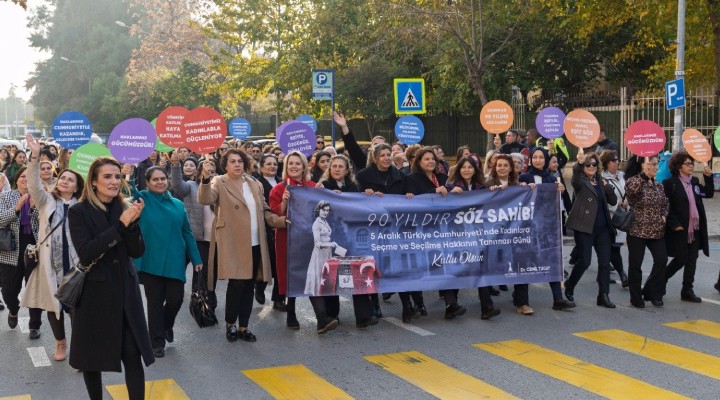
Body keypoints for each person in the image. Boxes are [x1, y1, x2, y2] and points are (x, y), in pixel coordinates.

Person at [68, 157, 152, 400]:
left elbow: (137, 251)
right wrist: (120, 226)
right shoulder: (79, 211)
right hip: (95, 296)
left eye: (117, 176)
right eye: (107, 176)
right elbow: (86, 253)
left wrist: (132, 225)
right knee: (91, 360)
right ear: (93, 182)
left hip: (126, 292)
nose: (114, 181)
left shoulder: (126, 207)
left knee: (132, 354)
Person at [199, 149, 287, 341]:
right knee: (237, 284)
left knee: (249, 285)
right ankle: (230, 324)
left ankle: (244, 327)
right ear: (225, 164)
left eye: (240, 161)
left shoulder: (254, 184)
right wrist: (205, 178)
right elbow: (205, 199)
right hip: (233, 242)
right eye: (232, 161)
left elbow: (264, 210)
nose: (237, 164)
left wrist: (280, 221)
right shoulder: (219, 182)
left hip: (256, 242)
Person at [127, 165, 202, 358]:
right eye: (155, 179)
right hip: (150, 260)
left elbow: (187, 232)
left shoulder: (177, 204)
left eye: (163, 179)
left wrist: (196, 259)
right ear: (148, 182)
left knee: (176, 299)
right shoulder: (142, 198)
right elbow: (128, 191)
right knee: (154, 303)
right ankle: (156, 342)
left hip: (175, 260)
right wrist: (128, 174)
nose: (160, 182)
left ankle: (167, 326)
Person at [20, 134, 84, 361]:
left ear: (77, 187)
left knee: (77, 307)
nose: (64, 181)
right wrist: (35, 156)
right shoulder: (47, 200)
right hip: (50, 264)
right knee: (52, 305)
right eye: (62, 178)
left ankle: (78, 347)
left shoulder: (82, 206)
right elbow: (33, 184)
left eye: (70, 180)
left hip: (76, 265)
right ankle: (60, 343)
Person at [269, 151, 336, 333]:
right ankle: (291, 314)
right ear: (286, 166)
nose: (294, 167)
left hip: (309, 240)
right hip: (287, 241)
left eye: (298, 163)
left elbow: (325, 208)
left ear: (304, 166)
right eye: (291, 163)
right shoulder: (278, 189)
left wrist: (331, 194)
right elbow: (275, 215)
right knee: (292, 276)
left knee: (311, 275)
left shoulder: (312, 186)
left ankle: (321, 319)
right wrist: (284, 202)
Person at [356, 144, 411, 320]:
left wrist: (409, 197)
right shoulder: (363, 176)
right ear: (375, 157)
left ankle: (407, 305)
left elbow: (407, 198)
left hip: (394, 229)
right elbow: (354, 199)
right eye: (382, 155)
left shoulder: (400, 176)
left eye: (389, 155)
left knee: (398, 266)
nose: (387, 158)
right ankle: (375, 304)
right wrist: (365, 195)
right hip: (373, 228)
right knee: (374, 266)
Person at [518, 147, 576, 311]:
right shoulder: (523, 176)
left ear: (545, 160)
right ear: (530, 160)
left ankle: (558, 298)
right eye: (535, 157)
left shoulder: (552, 179)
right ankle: (522, 301)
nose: (537, 160)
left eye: (541, 157)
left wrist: (561, 191)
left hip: (546, 227)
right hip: (527, 227)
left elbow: (558, 203)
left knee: (552, 261)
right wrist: (521, 187)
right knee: (524, 262)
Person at [446, 156, 501, 320]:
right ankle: (450, 306)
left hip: (477, 235)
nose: (467, 170)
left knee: (480, 269)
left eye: (470, 167)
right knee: (456, 270)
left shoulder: (482, 187)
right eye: (464, 167)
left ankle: (487, 308)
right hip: (458, 236)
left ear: (475, 170)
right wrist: (450, 194)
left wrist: (492, 192)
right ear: (458, 169)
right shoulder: (451, 186)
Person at [564, 151, 618, 308]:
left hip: (603, 229)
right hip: (584, 228)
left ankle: (603, 295)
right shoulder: (579, 181)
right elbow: (575, 175)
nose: (591, 167)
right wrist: (580, 163)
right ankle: (570, 284)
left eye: (594, 164)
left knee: (604, 263)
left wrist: (607, 187)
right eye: (588, 164)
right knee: (585, 261)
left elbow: (613, 201)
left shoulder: (601, 180)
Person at [485, 154, 536, 314]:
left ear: (510, 168)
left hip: (514, 233)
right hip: (492, 234)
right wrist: (489, 192)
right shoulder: (487, 185)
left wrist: (530, 189)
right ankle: (486, 303)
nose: (502, 168)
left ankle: (522, 303)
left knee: (520, 265)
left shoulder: (518, 186)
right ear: (494, 167)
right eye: (499, 165)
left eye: (505, 165)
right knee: (489, 266)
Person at [663, 151, 714, 303]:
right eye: (687, 164)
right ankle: (662, 279)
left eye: (692, 163)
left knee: (692, 259)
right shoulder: (670, 183)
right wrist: (675, 224)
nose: (691, 166)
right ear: (679, 167)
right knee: (681, 259)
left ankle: (687, 290)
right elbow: (666, 207)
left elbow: (708, 193)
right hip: (680, 228)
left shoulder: (695, 181)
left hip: (695, 228)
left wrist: (708, 177)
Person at [171, 157, 219, 310]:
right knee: (201, 268)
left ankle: (209, 292)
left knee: (213, 270)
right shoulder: (191, 186)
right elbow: (177, 185)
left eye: (212, 171)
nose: (209, 173)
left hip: (216, 238)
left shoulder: (219, 188)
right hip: (197, 237)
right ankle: (200, 298)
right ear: (199, 173)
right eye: (206, 170)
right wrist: (176, 165)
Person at [624, 155, 668, 308]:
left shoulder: (658, 185)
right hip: (637, 230)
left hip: (656, 230)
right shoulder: (634, 181)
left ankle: (651, 291)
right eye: (652, 164)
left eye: (657, 164)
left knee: (662, 260)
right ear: (643, 165)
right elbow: (631, 192)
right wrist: (643, 176)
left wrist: (664, 216)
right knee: (636, 265)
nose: (656, 167)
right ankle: (635, 298)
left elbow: (665, 203)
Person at [0, 167, 40, 335]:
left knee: (35, 290)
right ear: (16, 180)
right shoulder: (5, 197)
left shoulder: (41, 198)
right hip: (10, 250)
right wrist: (17, 208)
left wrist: (33, 209)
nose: (26, 179)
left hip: (35, 250)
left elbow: (47, 222)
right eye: (22, 176)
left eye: (29, 176)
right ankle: (13, 309)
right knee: (8, 290)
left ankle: (34, 326)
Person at [253, 154, 285, 311]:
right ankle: (260, 285)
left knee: (282, 264)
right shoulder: (256, 183)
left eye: (274, 163)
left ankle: (279, 299)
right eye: (268, 164)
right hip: (265, 227)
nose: (272, 166)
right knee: (269, 262)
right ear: (261, 166)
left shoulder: (283, 182)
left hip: (284, 226)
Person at [599, 150, 629, 287]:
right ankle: (622, 274)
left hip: (621, 216)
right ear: (606, 163)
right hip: (608, 218)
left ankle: (603, 275)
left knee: (613, 247)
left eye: (617, 160)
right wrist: (617, 204)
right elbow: (603, 200)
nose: (617, 162)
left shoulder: (622, 176)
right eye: (613, 160)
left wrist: (627, 200)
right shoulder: (601, 178)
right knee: (613, 247)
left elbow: (628, 191)